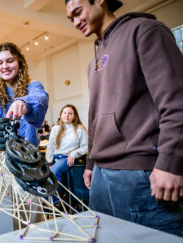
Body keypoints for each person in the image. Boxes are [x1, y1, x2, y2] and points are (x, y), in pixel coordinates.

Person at [65, 0, 183, 236]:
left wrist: (171, 162)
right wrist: (90, 164)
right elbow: (94, 115)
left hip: (141, 175)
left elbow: (176, 100)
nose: (76, 22)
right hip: (100, 177)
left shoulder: (145, 31)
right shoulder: (93, 62)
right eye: (71, 19)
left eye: (78, 12)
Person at [0, 42, 49, 146]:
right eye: (0, 63)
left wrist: (25, 102)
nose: (5, 66)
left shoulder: (32, 85)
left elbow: (40, 97)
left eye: (10, 61)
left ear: (19, 61)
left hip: (27, 152)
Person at [46, 105, 87, 185]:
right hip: (55, 158)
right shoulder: (55, 128)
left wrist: (74, 154)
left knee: (54, 171)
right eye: (64, 113)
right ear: (61, 115)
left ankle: (53, 198)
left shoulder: (80, 129)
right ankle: (50, 196)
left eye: (70, 113)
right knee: (45, 172)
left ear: (75, 116)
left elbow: (85, 147)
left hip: (68, 158)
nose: (67, 115)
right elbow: (50, 146)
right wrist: (49, 162)